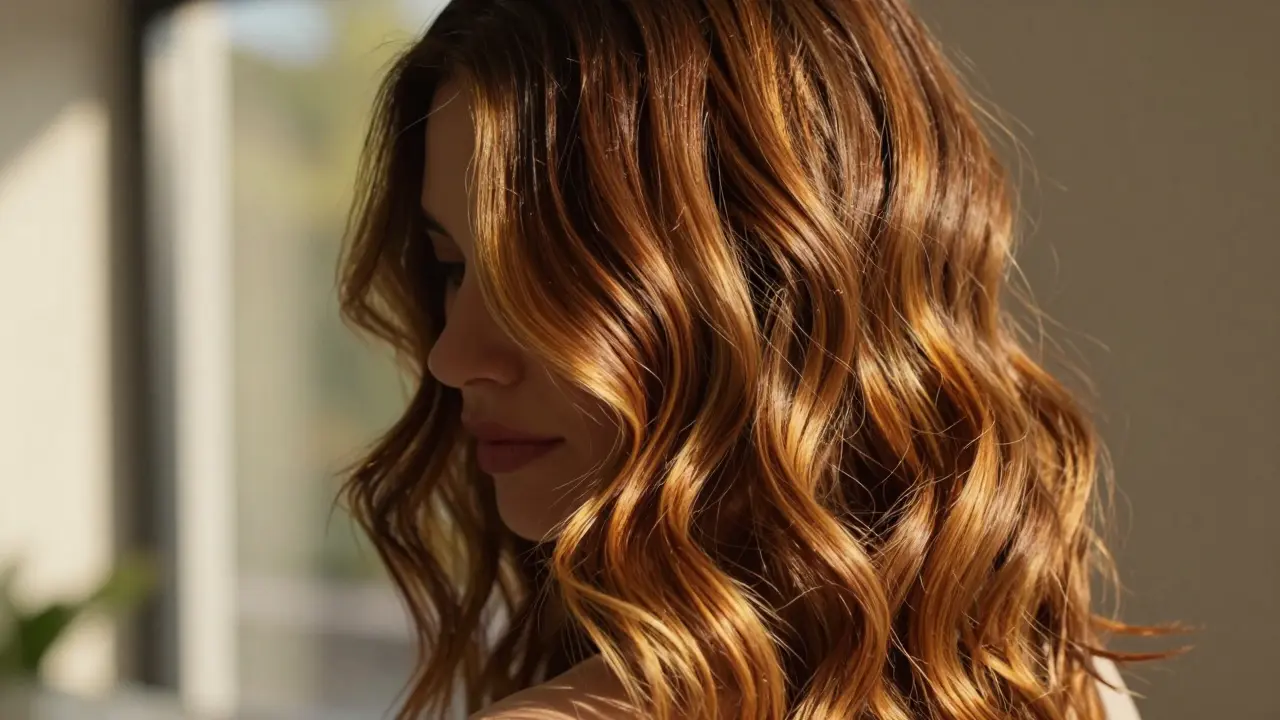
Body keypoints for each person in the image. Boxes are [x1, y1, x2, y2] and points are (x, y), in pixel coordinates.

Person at [338, 0, 1172, 717]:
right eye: (453, 270)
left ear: (775, 282)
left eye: (549, 275)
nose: (452, 358)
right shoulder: (1054, 673)